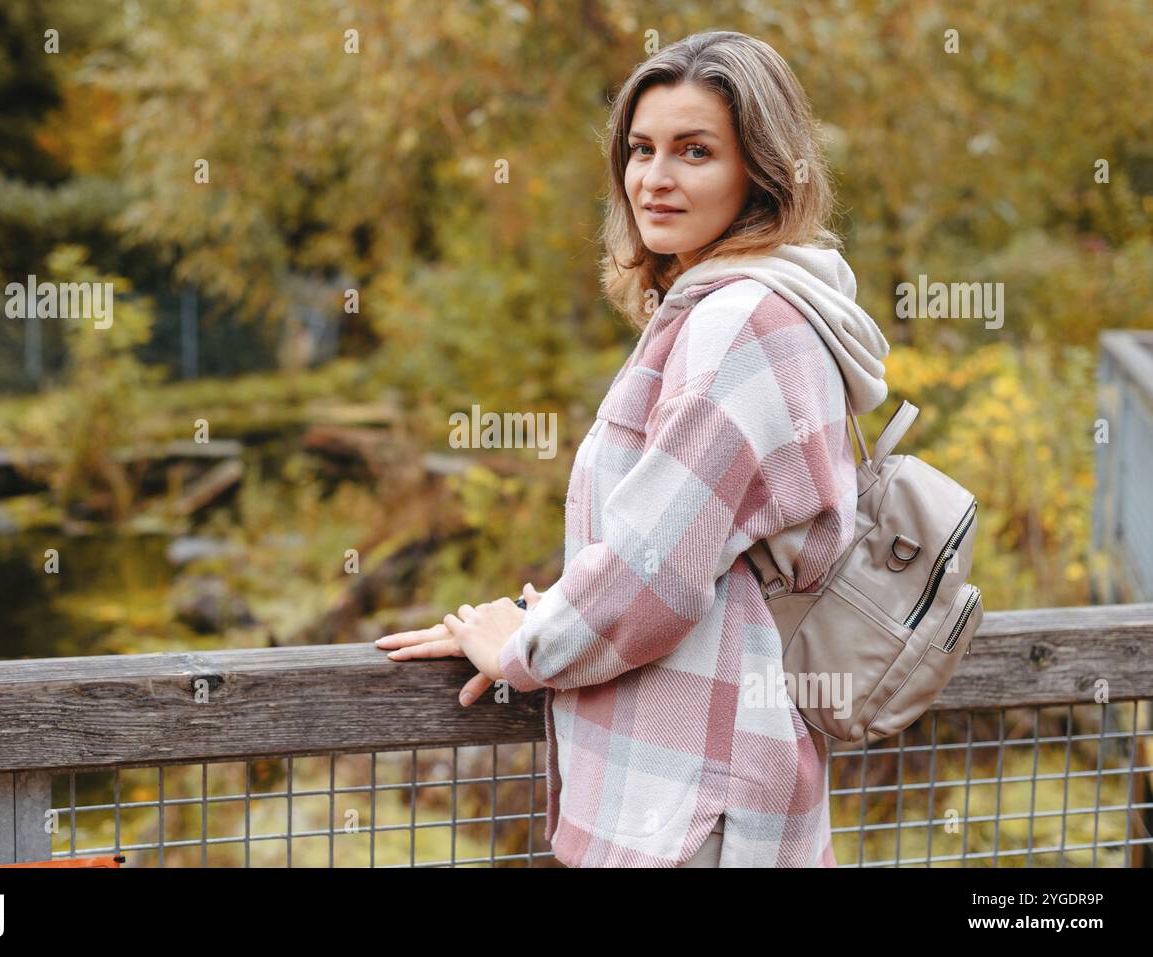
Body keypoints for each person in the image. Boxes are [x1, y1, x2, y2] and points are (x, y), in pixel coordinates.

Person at [375, 30, 890, 867]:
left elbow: (655, 572)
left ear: (760, 170)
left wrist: (520, 646)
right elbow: (693, 546)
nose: (655, 178)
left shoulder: (737, 325)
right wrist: (537, 614)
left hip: (691, 802)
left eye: (695, 151)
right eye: (641, 149)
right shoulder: (766, 308)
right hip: (719, 779)